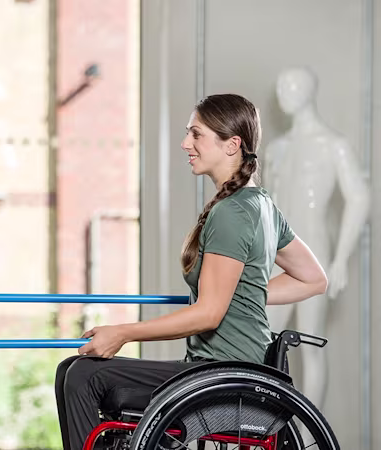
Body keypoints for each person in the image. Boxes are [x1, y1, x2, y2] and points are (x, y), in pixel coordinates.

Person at [54, 94, 329, 450]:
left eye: (196, 135)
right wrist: (243, 292)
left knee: (82, 375)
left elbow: (209, 314)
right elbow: (313, 277)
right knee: (71, 371)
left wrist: (122, 332)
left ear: (232, 145)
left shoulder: (232, 212)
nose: (186, 144)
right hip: (238, 368)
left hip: (224, 374)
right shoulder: (260, 204)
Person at [264, 67, 370, 408]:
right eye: (281, 85)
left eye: (291, 85)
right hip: (278, 255)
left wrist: (340, 259)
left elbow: (360, 198)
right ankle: (264, 427)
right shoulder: (277, 149)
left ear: (309, 90)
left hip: (316, 252)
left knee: (310, 346)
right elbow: (266, 205)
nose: (284, 92)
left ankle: (311, 437)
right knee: (265, 341)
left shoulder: (333, 145)